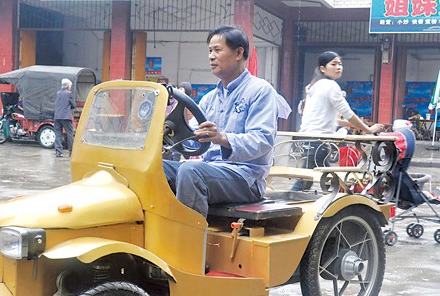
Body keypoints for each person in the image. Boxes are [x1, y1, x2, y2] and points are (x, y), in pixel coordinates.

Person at [162, 25, 284, 218]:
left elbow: (263, 139)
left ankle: (187, 242)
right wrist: (169, 135)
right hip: (211, 170)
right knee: (157, 168)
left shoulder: (261, 91)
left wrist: (222, 138)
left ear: (238, 53)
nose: (211, 56)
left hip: (246, 177)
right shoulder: (209, 98)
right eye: (210, 50)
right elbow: (194, 138)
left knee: (190, 171)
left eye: (217, 50)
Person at [291, 51, 385, 191]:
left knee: (318, 179)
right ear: (323, 68)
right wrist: (369, 130)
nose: (338, 67)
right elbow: (347, 113)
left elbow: (325, 118)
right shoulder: (330, 86)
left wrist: (354, 125)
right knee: (311, 181)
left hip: (309, 138)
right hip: (318, 140)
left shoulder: (315, 86)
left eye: (340, 64)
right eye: (334, 64)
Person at [54, 78, 75, 158]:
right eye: (70, 86)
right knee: (69, 134)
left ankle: (59, 152)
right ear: (68, 86)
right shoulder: (69, 94)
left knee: (58, 134)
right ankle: (71, 152)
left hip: (57, 116)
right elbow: (73, 105)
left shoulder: (58, 93)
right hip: (66, 116)